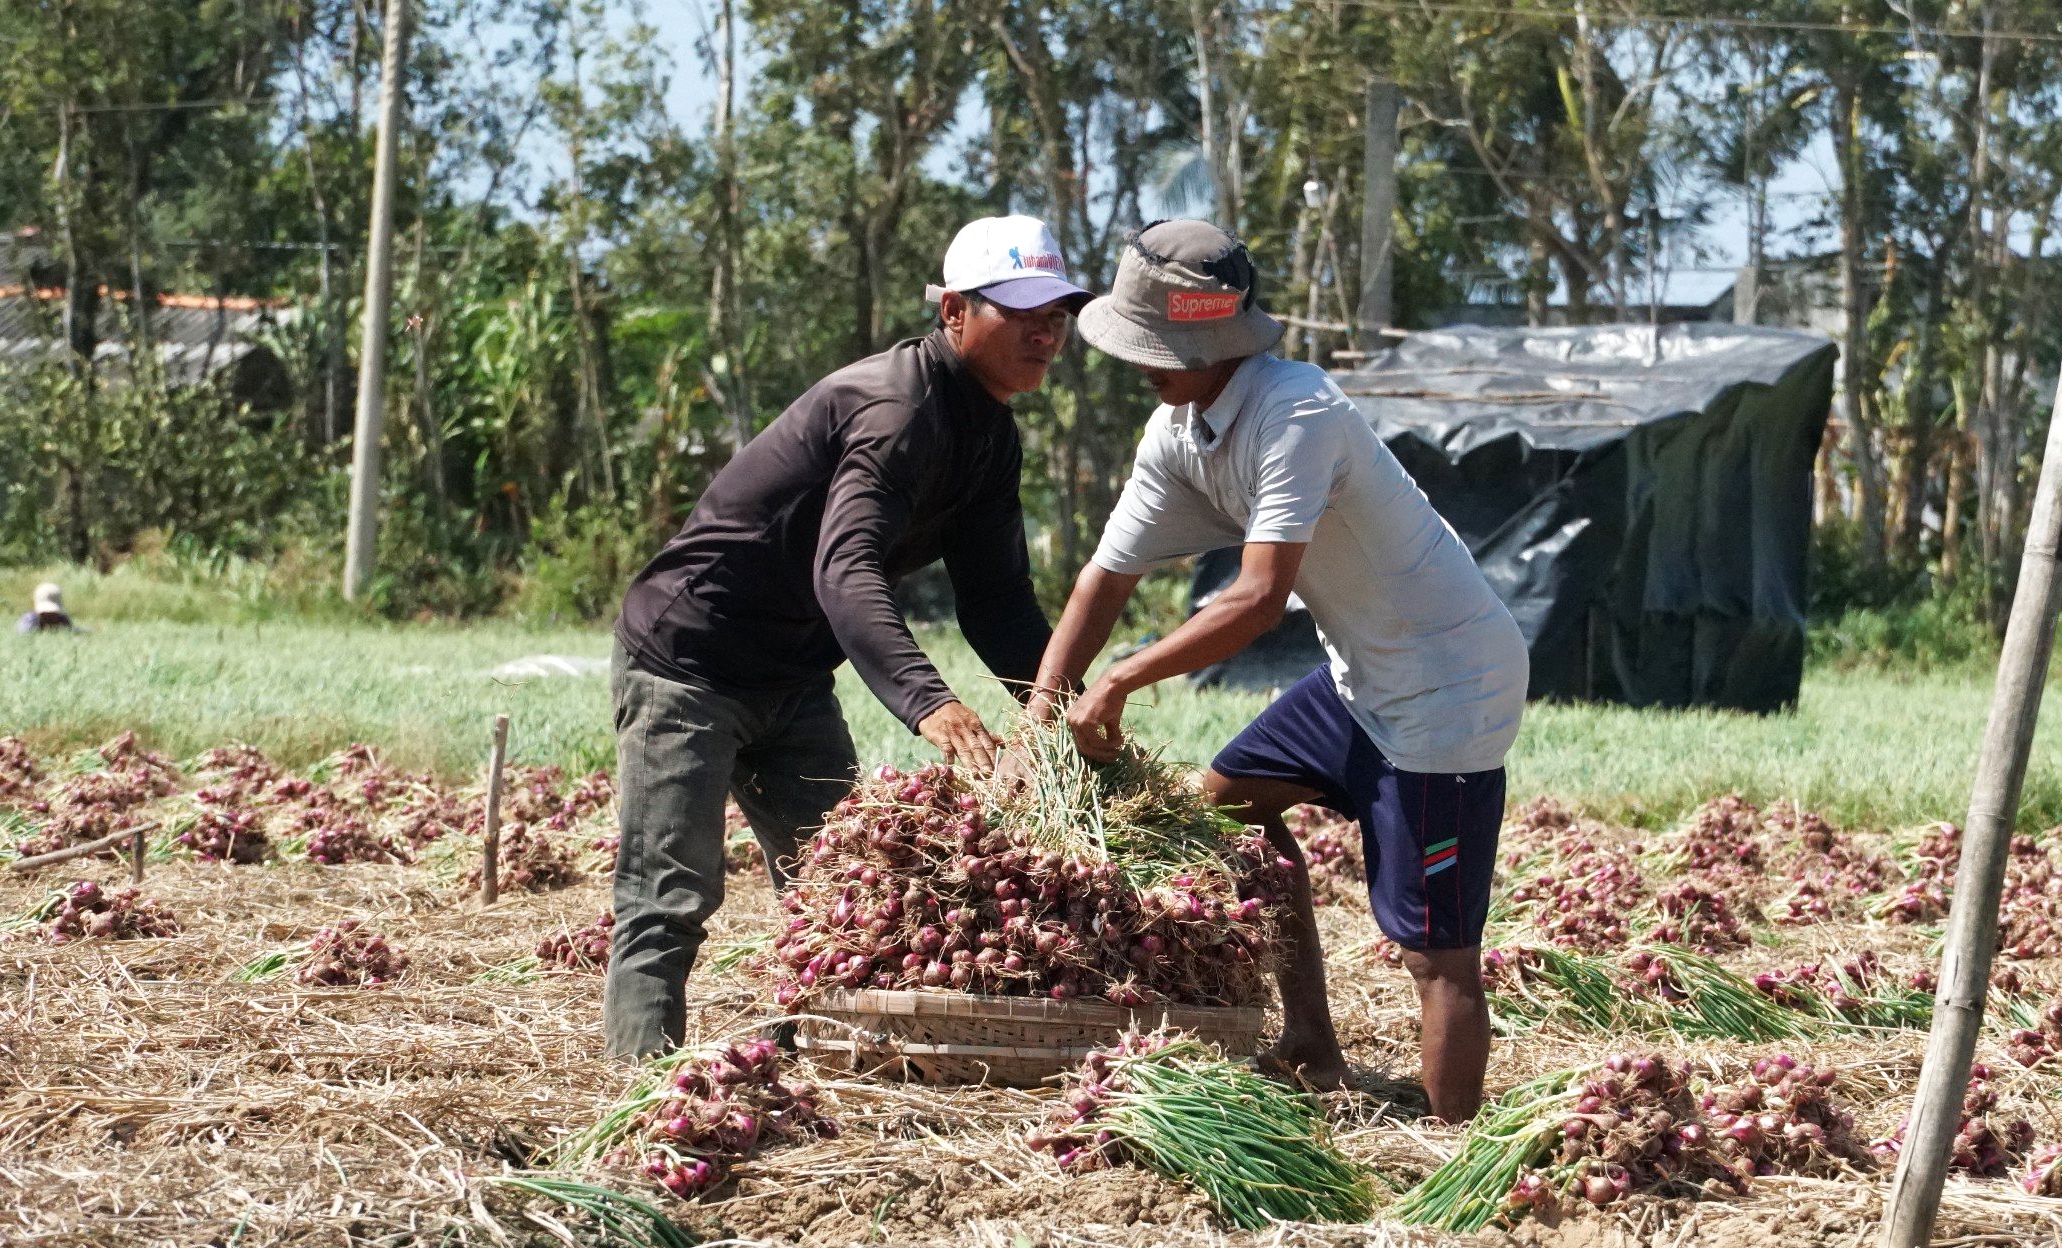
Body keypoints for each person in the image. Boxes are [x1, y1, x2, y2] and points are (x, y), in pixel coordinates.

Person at [1027, 220, 1528, 1123]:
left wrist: (1121, 682)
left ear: (1216, 342)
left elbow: (1259, 599)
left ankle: (1453, 1156)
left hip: (1448, 691)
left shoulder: (1298, 412)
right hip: (1358, 678)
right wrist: (1044, 707)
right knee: (1232, 809)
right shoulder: (1178, 429)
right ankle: (1309, 1041)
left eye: (1162, 347)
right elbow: (1104, 578)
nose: (1144, 364)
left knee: (1436, 953)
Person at [603, 215, 1088, 1058]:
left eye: (1058, 313)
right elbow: (845, 569)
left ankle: (810, 1067)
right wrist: (929, 703)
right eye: (1022, 311)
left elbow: (999, 599)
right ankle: (642, 1094)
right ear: (956, 314)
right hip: (691, 661)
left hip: (791, 676)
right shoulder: (896, 408)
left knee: (839, 895)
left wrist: (1058, 707)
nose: (1046, 332)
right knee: (670, 892)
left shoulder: (990, 434)